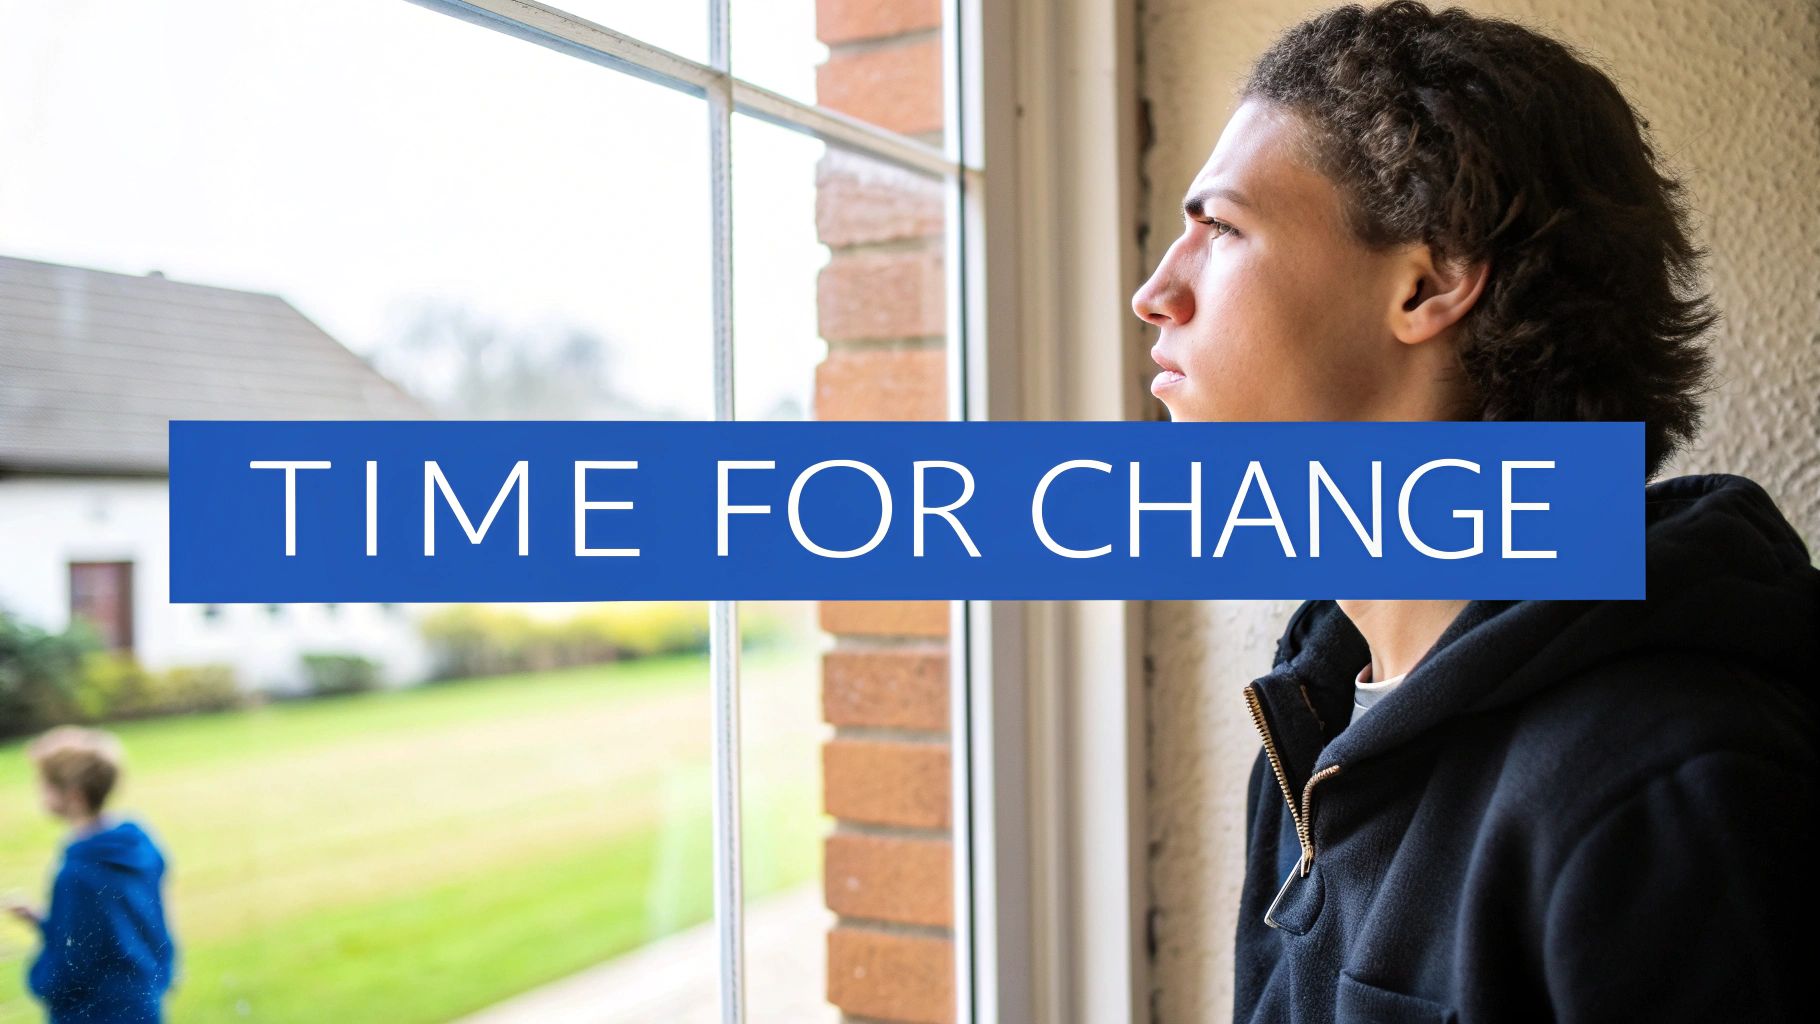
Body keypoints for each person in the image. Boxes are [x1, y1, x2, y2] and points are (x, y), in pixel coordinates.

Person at [1130, 3, 1818, 1021]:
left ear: (1432, 278)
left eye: (1221, 228)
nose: (1154, 292)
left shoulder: (1667, 790)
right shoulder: (1318, 718)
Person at [5, 727, 176, 1023]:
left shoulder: (77, 873)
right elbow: (115, 929)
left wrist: (39, 980)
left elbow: (72, 968)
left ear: (73, 796)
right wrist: (42, 920)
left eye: (44, 784)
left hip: (98, 1012)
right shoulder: (138, 847)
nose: (38, 791)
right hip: (143, 1003)